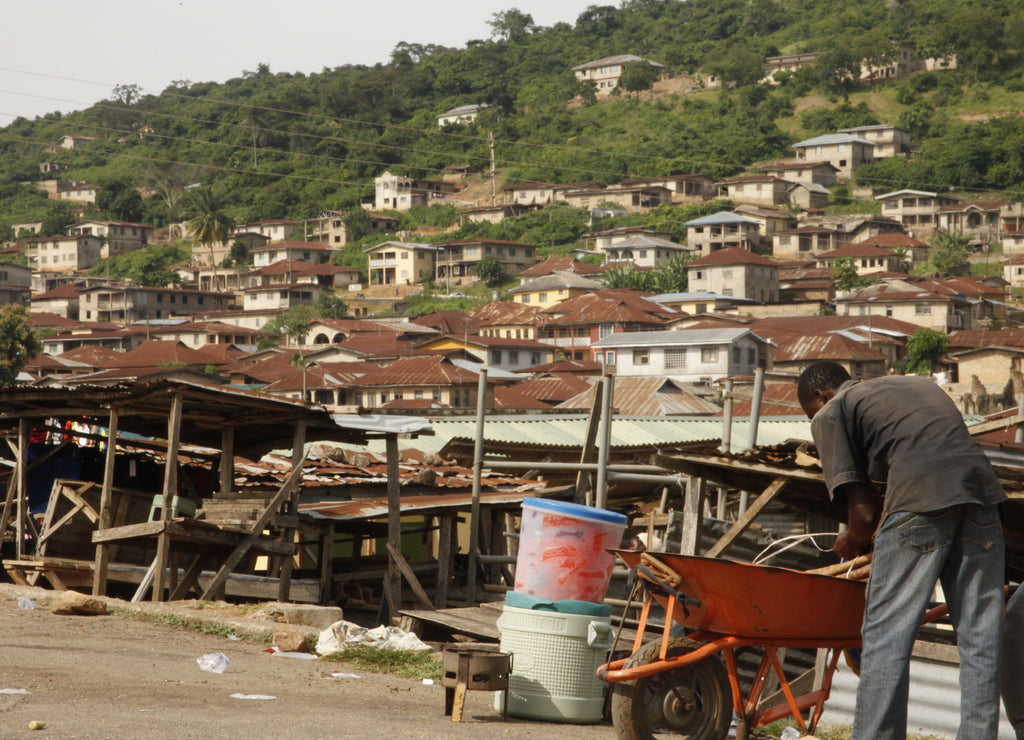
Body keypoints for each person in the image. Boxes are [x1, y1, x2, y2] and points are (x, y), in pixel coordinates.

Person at [797, 360, 1005, 740]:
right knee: (981, 639)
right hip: (982, 498)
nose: (816, 417)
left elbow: (863, 514)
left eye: (811, 411)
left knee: (886, 637)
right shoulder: (913, 385)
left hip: (919, 500)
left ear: (819, 395)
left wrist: (850, 541)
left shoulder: (832, 410)